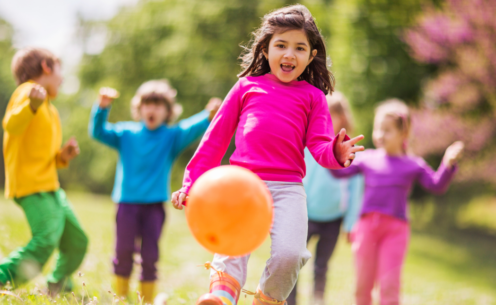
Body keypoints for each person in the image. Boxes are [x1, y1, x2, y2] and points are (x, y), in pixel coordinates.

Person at [171, 5, 364, 305]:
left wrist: (336, 153)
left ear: (311, 55)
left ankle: (267, 300)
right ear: (266, 48)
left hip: (288, 189)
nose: (289, 54)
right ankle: (220, 297)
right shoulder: (246, 87)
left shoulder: (313, 97)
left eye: (300, 48)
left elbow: (320, 146)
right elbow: (214, 140)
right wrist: (191, 182)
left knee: (291, 254)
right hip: (242, 185)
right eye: (281, 45)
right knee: (231, 246)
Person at [89, 80, 220, 304]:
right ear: (139, 109)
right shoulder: (126, 133)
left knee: (150, 257)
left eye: (158, 105)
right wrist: (102, 107)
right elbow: (98, 132)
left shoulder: (171, 137)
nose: (152, 109)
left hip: (154, 207)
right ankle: (120, 298)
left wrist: (210, 114)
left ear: (168, 111)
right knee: (122, 253)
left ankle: (146, 301)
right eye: (148, 104)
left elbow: (194, 126)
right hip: (127, 204)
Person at [331, 99, 464, 305]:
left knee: (389, 287)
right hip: (366, 228)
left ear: (404, 134)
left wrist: (447, 164)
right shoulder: (367, 158)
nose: (380, 135)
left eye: (387, 130)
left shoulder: (413, 165)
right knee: (362, 285)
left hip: (395, 231)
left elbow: (436, 185)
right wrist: (333, 154)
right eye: (377, 129)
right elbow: (339, 174)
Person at [0, 47, 88, 295]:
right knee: (45, 239)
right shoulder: (28, 94)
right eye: (60, 70)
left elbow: (42, 154)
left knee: (77, 241)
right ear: (46, 66)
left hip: (50, 186)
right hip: (31, 187)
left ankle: (56, 285)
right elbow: (11, 124)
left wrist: (61, 157)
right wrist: (31, 106)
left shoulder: (51, 109)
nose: (62, 78)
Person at [287, 91, 364, 305]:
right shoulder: (308, 145)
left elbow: (355, 190)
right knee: (293, 261)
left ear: (343, 118)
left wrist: (350, 224)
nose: (327, 119)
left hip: (333, 218)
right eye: (323, 114)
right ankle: (289, 302)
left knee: (322, 266)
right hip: (305, 214)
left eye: (333, 114)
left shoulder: (349, 151)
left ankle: (317, 301)